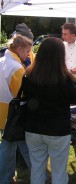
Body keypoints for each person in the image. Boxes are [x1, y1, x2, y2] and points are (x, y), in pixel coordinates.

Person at [22, 37, 76, 184]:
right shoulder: (63, 78)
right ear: (60, 56)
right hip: (57, 130)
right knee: (59, 171)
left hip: (33, 128)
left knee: (37, 169)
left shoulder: (28, 75)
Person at [0, 35, 33, 184]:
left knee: (10, 147)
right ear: (19, 50)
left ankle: (6, 178)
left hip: (4, 113)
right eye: (27, 51)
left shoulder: (2, 61)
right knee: (23, 147)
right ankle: (41, 176)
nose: (28, 55)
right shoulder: (16, 67)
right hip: (14, 115)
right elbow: (22, 94)